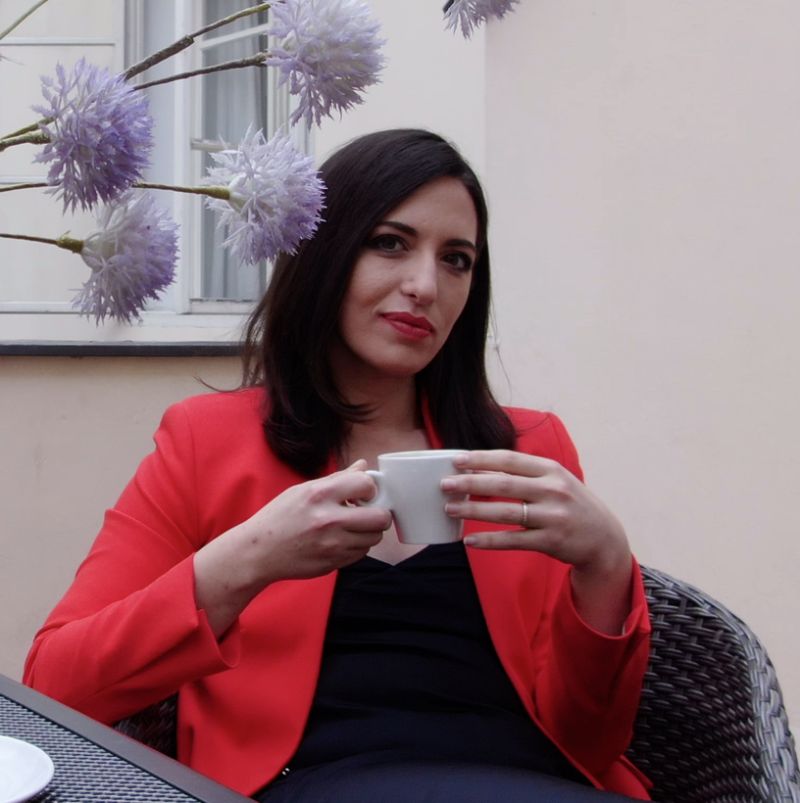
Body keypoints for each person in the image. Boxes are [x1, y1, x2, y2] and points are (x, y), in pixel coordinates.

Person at [24, 129, 652, 801]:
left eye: (457, 259)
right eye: (390, 243)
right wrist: (249, 559)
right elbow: (57, 689)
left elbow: (589, 738)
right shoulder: (207, 442)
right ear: (325, 252)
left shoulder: (528, 450)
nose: (424, 285)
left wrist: (608, 565)